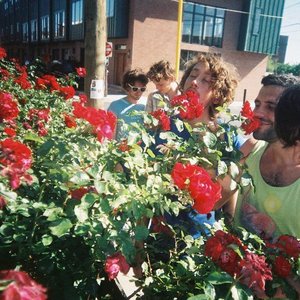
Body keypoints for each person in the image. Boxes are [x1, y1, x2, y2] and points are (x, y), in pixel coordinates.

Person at [148, 53, 241, 238]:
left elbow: (231, 190)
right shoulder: (164, 128)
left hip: (203, 239)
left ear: (217, 95)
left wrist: (230, 229)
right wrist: (139, 246)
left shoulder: (225, 137)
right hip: (160, 237)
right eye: (193, 75)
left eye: (206, 80)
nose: (195, 82)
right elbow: (144, 185)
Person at [233, 75, 300, 239]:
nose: (257, 113)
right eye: (257, 104)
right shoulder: (249, 149)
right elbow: (222, 195)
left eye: (271, 107)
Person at [107, 68, 148, 141]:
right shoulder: (115, 106)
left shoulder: (144, 107)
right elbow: (110, 134)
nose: (139, 92)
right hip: (120, 150)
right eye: (135, 89)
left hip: (139, 150)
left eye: (142, 89)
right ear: (127, 87)